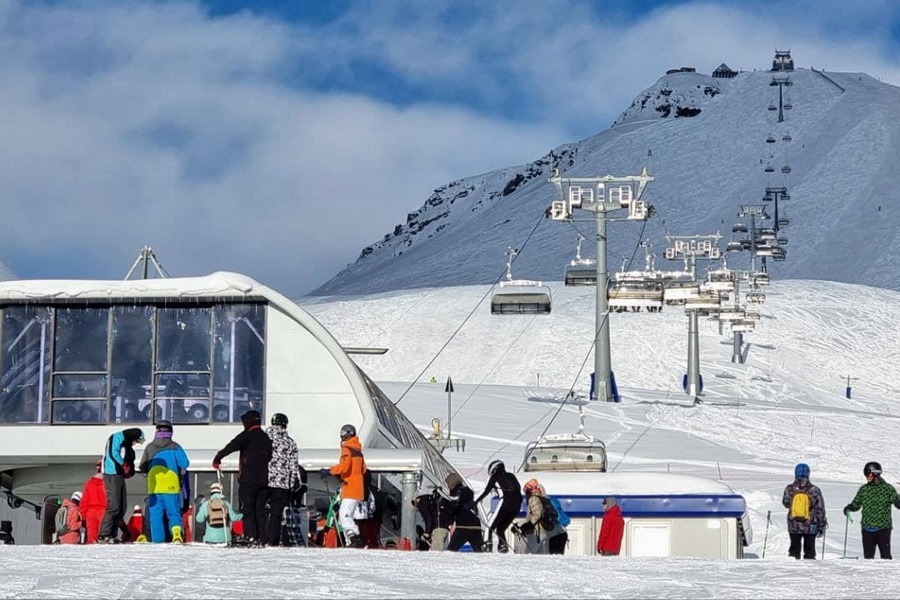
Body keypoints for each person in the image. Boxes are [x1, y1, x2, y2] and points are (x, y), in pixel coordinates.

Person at [212, 410, 273, 546]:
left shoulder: (246, 436)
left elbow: (232, 446)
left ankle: (250, 536)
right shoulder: (266, 438)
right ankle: (261, 538)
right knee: (260, 511)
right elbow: (270, 457)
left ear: (248, 422)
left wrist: (218, 457)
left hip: (248, 479)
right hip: (264, 480)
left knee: (248, 509)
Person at [138, 420, 190, 544]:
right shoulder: (175, 446)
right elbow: (185, 463)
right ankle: (176, 535)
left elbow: (142, 466)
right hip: (171, 485)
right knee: (173, 513)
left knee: (155, 517)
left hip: (154, 487)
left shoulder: (149, 447)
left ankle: (158, 541)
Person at [844, 461, 900, 559]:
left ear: (876, 473)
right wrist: (850, 508)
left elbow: (897, 501)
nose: (867, 476)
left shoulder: (887, 489)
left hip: (883, 528)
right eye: (865, 474)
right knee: (868, 558)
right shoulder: (864, 489)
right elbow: (856, 504)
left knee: (886, 556)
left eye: (868, 474)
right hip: (867, 528)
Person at [99, 428, 145, 543]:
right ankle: (104, 534)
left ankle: (112, 534)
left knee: (121, 507)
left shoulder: (126, 444)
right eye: (136, 441)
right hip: (111, 473)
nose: (135, 444)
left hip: (118, 475)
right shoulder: (116, 437)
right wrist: (123, 465)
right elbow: (112, 453)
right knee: (114, 506)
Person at [326, 423, 367, 548]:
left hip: (349, 487)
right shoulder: (359, 452)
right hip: (358, 489)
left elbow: (344, 467)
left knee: (344, 515)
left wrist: (329, 471)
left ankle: (354, 538)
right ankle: (352, 541)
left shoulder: (347, 449)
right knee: (347, 515)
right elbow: (363, 470)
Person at [264, 412, 300, 546]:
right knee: (276, 514)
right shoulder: (290, 443)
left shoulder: (264, 439)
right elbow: (293, 467)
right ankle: (272, 540)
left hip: (264, 481)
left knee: (261, 511)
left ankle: (260, 537)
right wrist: (291, 485)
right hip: (282, 484)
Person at [782, 463, 827, 559]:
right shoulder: (815, 490)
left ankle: (793, 570)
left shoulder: (789, 488)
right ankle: (809, 571)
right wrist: (822, 525)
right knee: (810, 550)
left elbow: (785, 503)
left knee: (794, 549)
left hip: (793, 523)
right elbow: (820, 508)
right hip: (811, 525)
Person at [474, 460, 521, 553]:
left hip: (505, 501)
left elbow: (485, 491)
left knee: (489, 526)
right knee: (501, 528)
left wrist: (474, 502)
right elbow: (518, 488)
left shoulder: (495, 477)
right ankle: (502, 545)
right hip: (517, 504)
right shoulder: (511, 476)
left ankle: (487, 546)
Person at [445, 472, 483, 552]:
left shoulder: (458, 493)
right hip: (476, 526)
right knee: (480, 552)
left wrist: (449, 518)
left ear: (452, 484)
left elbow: (456, 507)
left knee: (451, 551)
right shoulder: (470, 491)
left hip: (463, 526)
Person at [80, 460, 106, 544]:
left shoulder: (89, 483)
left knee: (92, 539)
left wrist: (84, 517)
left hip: (90, 513)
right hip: (104, 511)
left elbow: (84, 502)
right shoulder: (108, 483)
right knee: (103, 538)